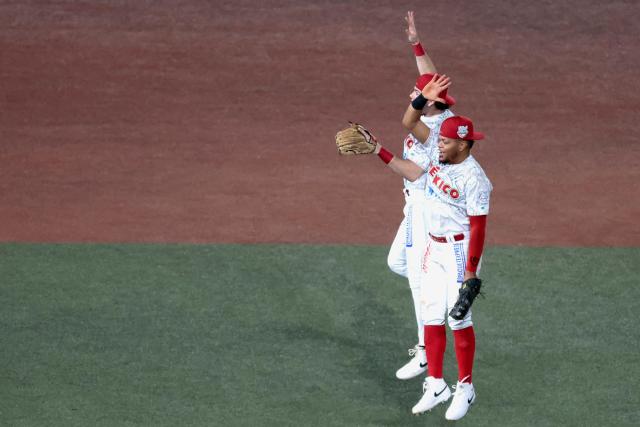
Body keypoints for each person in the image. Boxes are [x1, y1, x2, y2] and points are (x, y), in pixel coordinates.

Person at [388, 75, 493, 421]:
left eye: (446, 142)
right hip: (433, 247)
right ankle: (436, 383)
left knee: (458, 319)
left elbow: (478, 226)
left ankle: (465, 386)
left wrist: (471, 273)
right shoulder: (439, 149)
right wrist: (422, 99)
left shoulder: (475, 180)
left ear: (463, 146)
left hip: (459, 250)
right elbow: (409, 121)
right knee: (431, 317)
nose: (439, 145)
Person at [385, 11, 456, 381]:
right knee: (398, 263)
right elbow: (434, 80)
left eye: (418, 93)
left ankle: (426, 350)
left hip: (423, 209)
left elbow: (413, 170)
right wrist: (416, 43)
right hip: (416, 206)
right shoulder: (444, 115)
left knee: (416, 276)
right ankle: (445, 291)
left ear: (429, 102)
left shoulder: (431, 131)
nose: (413, 93)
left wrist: (377, 152)